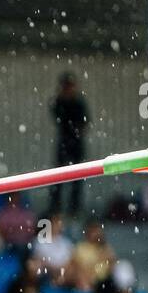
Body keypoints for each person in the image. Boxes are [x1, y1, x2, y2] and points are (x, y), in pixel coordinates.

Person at [49, 73, 91, 214]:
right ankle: (55, 207)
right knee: (58, 176)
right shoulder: (59, 101)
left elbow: (85, 122)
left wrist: (77, 129)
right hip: (64, 142)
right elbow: (56, 116)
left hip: (77, 142)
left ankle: (74, 208)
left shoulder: (79, 102)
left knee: (77, 177)